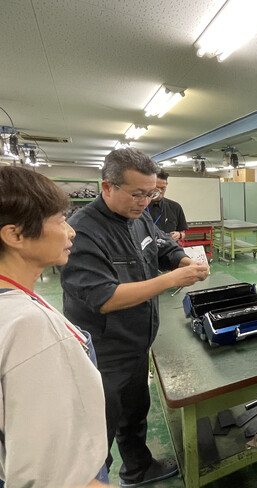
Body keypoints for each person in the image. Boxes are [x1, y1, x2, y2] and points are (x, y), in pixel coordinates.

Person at [60, 148, 210, 487]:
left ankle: (138, 468)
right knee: (101, 426)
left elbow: (161, 246)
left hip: (137, 341)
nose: (145, 201)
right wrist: (171, 280)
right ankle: (95, 479)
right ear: (108, 187)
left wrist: (183, 262)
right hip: (104, 351)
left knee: (134, 411)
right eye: (137, 193)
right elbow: (105, 298)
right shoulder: (83, 232)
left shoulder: (137, 216)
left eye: (152, 193)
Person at [0, 166, 108, 487]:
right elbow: (55, 478)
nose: (71, 232)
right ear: (15, 235)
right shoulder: (29, 327)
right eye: (60, 221)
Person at [147, 169, 188, 242]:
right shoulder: (140, 207)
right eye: (156, 188)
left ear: (166, 185)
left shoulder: (175, 207)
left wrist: (179, 235)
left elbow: (183, 233)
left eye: (162, 188)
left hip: (169, 250)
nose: (159, 191)